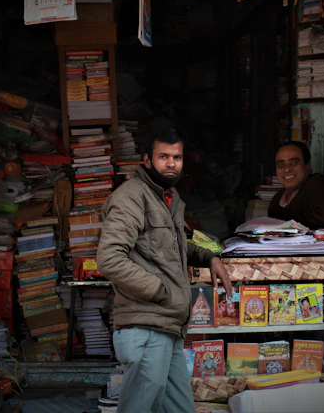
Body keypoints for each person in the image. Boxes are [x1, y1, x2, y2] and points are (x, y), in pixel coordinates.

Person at [97, 126, 233, 413]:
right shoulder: (132, 197)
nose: (172, 164)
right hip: (147, 325)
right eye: (163, 156)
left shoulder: (167, 198)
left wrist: (210, 258)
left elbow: (174, 246)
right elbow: (109, 259)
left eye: (177, 157)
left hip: (167, 325)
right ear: (147, 160)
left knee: (181, 408)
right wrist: (160, 292)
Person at [268, 141, 324, 230]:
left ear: (308, 166)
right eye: (281, 164)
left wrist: (283, 222)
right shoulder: (277, 199)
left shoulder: (315, 183)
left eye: (294, 163)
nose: (287, 169)